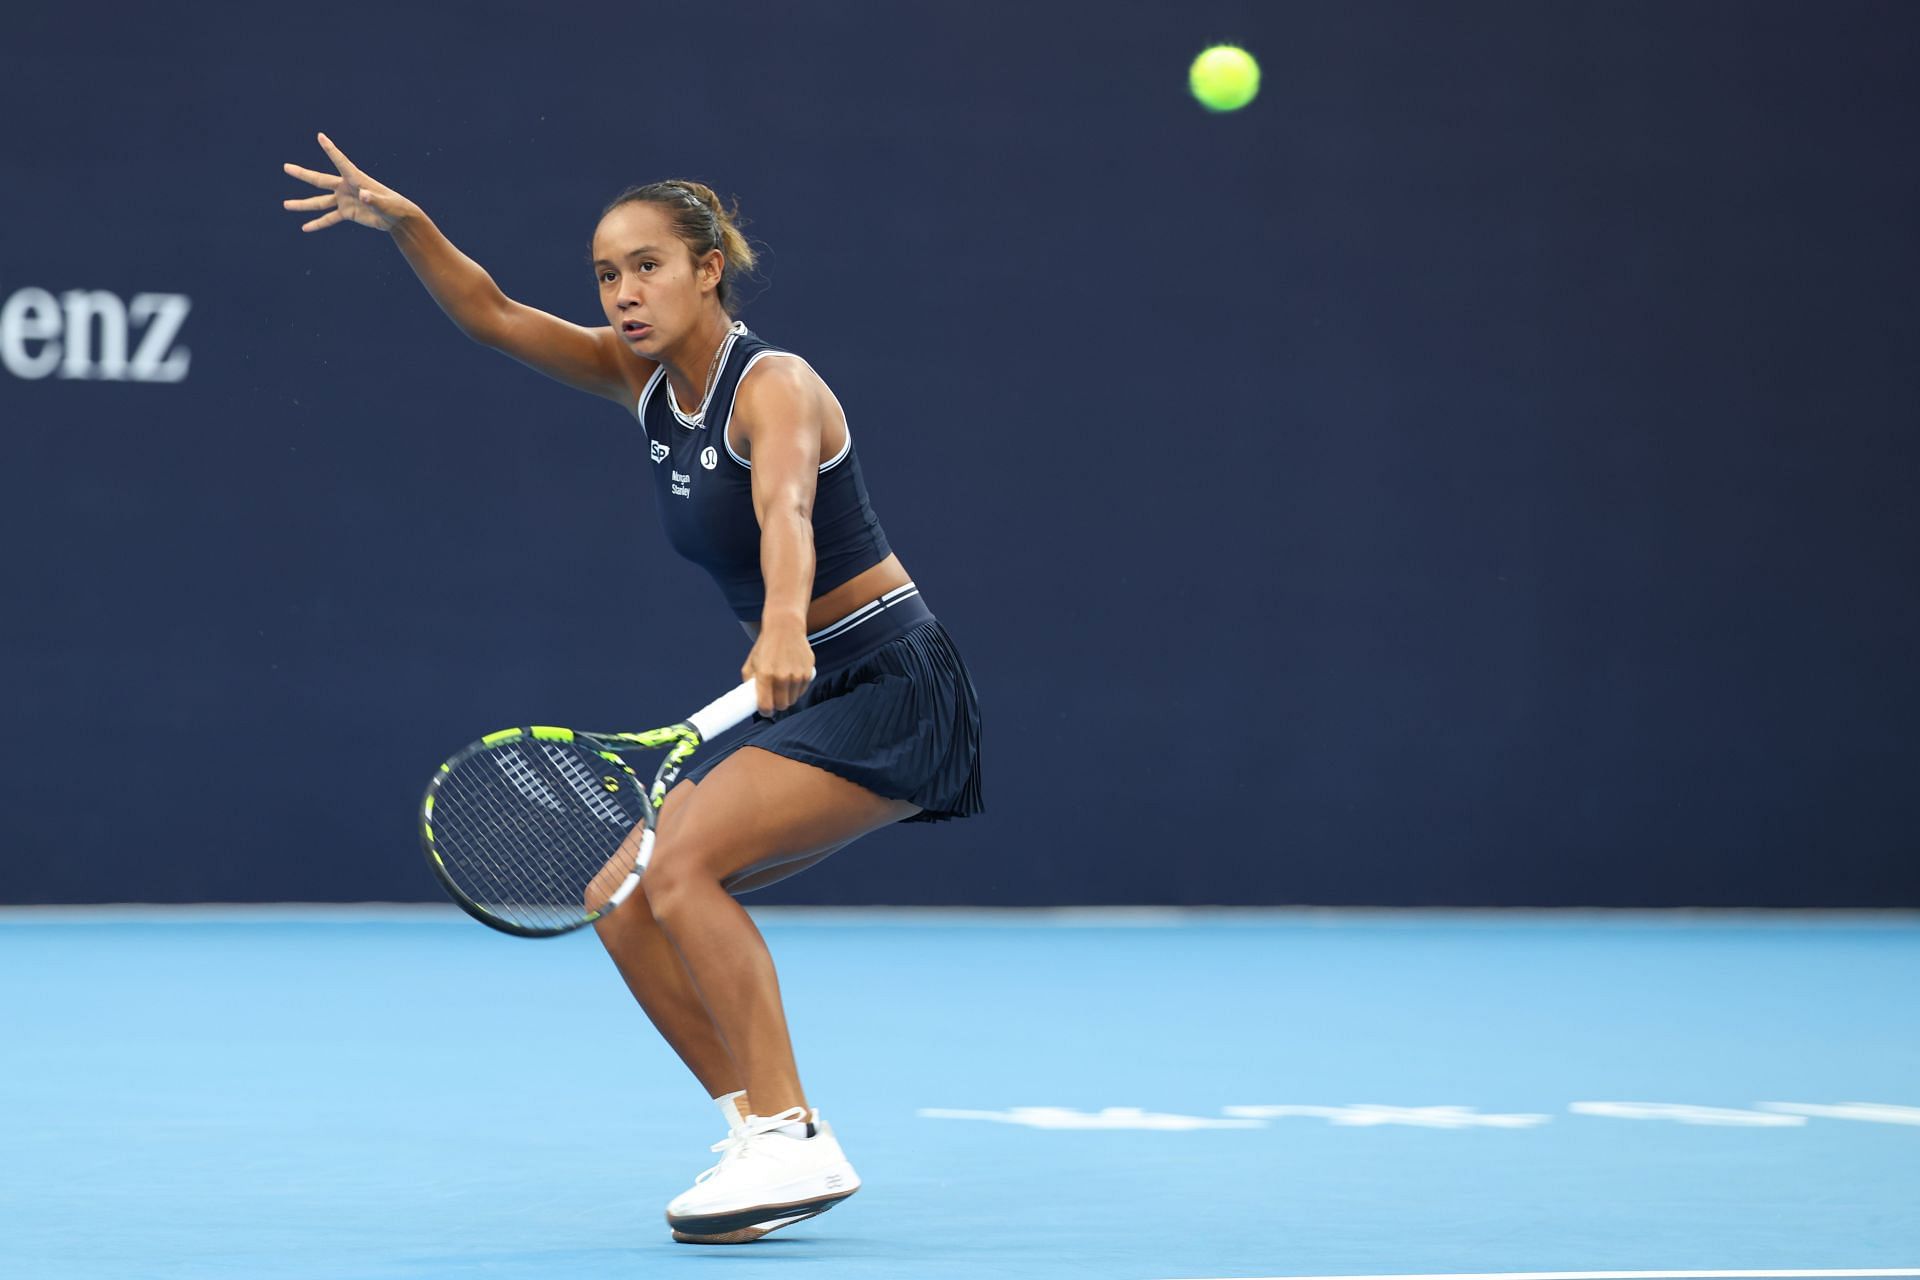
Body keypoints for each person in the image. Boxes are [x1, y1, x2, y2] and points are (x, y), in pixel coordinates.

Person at [281, 133, 983, 1245]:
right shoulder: (638, 377)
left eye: (646, 265)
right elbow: (497, 314)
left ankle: (797, 1131)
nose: (622, 292)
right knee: (625, 887)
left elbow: (786, 513)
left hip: (886, 677)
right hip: (802, 685)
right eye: (608, 274)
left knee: (686, 861)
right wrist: (410, 225)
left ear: (710, 266)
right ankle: (759, 1131)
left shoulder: (778, 385)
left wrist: (790, 622)